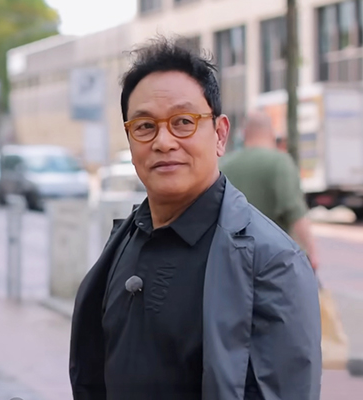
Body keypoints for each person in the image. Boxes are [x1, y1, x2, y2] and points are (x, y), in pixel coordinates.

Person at [69, 37, 321, 400]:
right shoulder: (125, 241)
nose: (163, 141)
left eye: (183, 122)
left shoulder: (273, 263)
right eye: (144, 126)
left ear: (220, 134)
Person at [221, 111, 319, 270]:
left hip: (232, 261)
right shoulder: (281, 162)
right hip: (273, 263)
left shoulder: (224, 165)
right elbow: (295, 213)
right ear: (272, 133)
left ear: (245, 134)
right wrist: (312, 253)